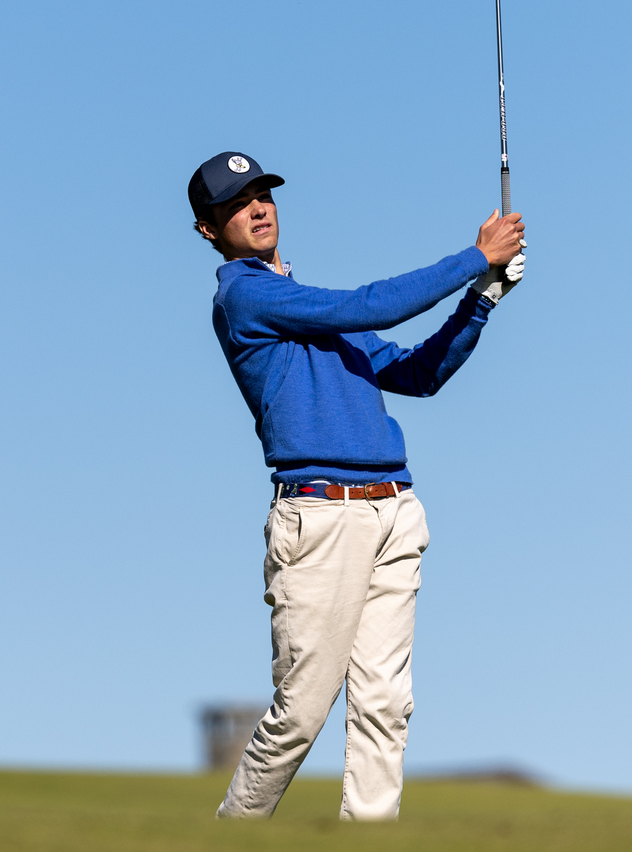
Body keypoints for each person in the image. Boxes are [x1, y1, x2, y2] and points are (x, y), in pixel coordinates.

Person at [189, 150, 526, 821]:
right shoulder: (247, 296)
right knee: (299, 715)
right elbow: (369, 303)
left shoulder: (320, 317)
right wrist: (474, 255)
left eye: (263, 195)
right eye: (236, 204)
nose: (257, 209)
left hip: (394, 513)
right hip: (319, 522)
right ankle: (230, 833)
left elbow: (418, 373)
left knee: (384, 705)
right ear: (209, 230)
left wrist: (483, 297)